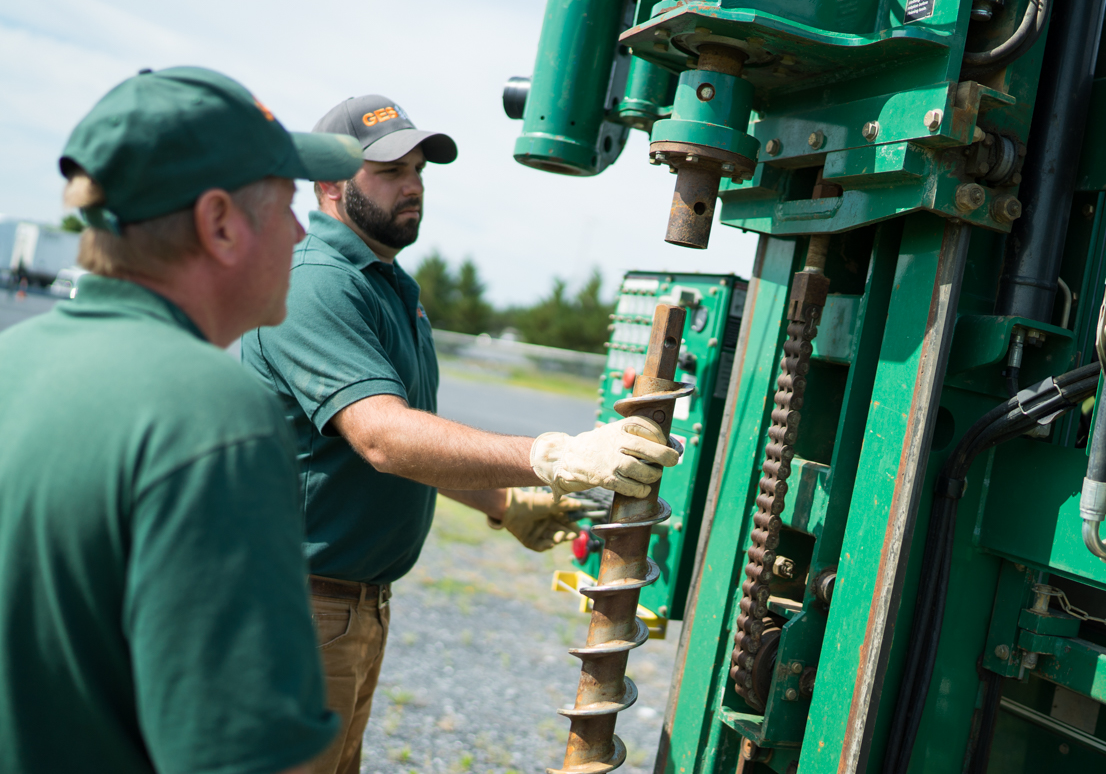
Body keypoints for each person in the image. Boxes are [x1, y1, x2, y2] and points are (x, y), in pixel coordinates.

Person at [241, 94, 678, 774]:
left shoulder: (389, 286)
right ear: (329, 183)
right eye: (388, 170)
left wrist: (503, 501)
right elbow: (384, 438)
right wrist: (553, 457)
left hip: (352, 610)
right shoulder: (319, 283)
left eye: (418, 168)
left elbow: (409, 450)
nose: (412, 184)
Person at [0, 67, 367, 773]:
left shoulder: (13, 359)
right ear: (220, 223)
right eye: (287, 203)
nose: (300, 233)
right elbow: (242, 756)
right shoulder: (212, 414)